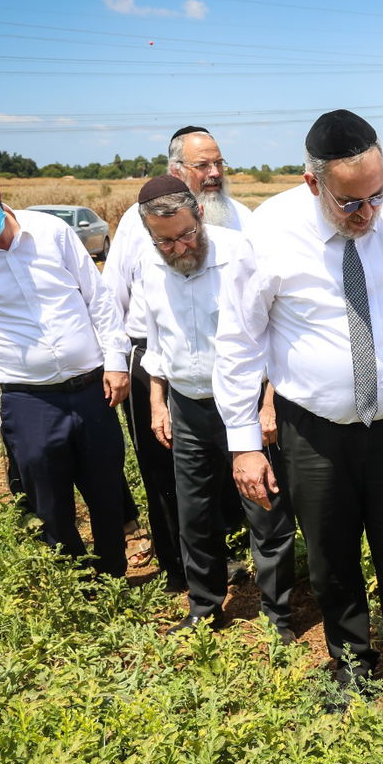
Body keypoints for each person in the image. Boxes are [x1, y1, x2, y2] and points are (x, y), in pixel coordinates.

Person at [214, 109, 383, 717]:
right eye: (350, 203)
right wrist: (243, 442)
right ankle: (351, 664)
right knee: (331, 550)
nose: (369, 213)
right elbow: (238, 343)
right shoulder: (269, 233)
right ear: (312, 182)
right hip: (313, 430)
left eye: (377, 195)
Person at [0, 148, 132, 577]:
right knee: (49, 501)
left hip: (93, 388)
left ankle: (114, 575)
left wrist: (116, 361)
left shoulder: (50, 231)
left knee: (107, 491)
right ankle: (78, 588)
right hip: (28, 399)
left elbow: (99, 300)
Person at [130, 175, 296, 638]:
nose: (180, 247)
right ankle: (205, 606)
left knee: (265, 509)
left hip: (244, 405)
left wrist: (268, 402)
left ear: (199, 214)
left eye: (186, 234)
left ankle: (277, 615)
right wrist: (158, 401)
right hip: (187, 405)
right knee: (194, 512)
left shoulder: (240, 253)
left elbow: (274, 332)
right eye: (166, 240)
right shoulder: (149, 264)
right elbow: (156, 340)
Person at [103, 126, 264, 591]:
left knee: (239, 462)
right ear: (177, 170)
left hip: (233, 367)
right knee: (169, 475)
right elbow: (114, 294)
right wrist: (116, 361)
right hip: (159, 359)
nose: (213, 173)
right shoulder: (139, 223)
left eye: (218, 164)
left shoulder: (241, 217)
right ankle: (180, 570)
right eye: (202, 166)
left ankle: (235, 556)